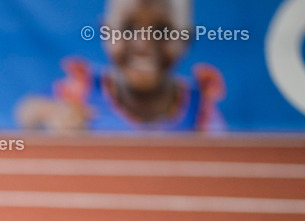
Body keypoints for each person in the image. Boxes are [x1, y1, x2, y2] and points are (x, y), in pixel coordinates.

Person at [16, 0, 225, 133]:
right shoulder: (82, 90)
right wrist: (53, 113)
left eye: (163, 30)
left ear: (187, 37)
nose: (143, 43)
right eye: (127, 29)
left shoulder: (200, 110)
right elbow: (26, 110)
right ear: (105, 31)